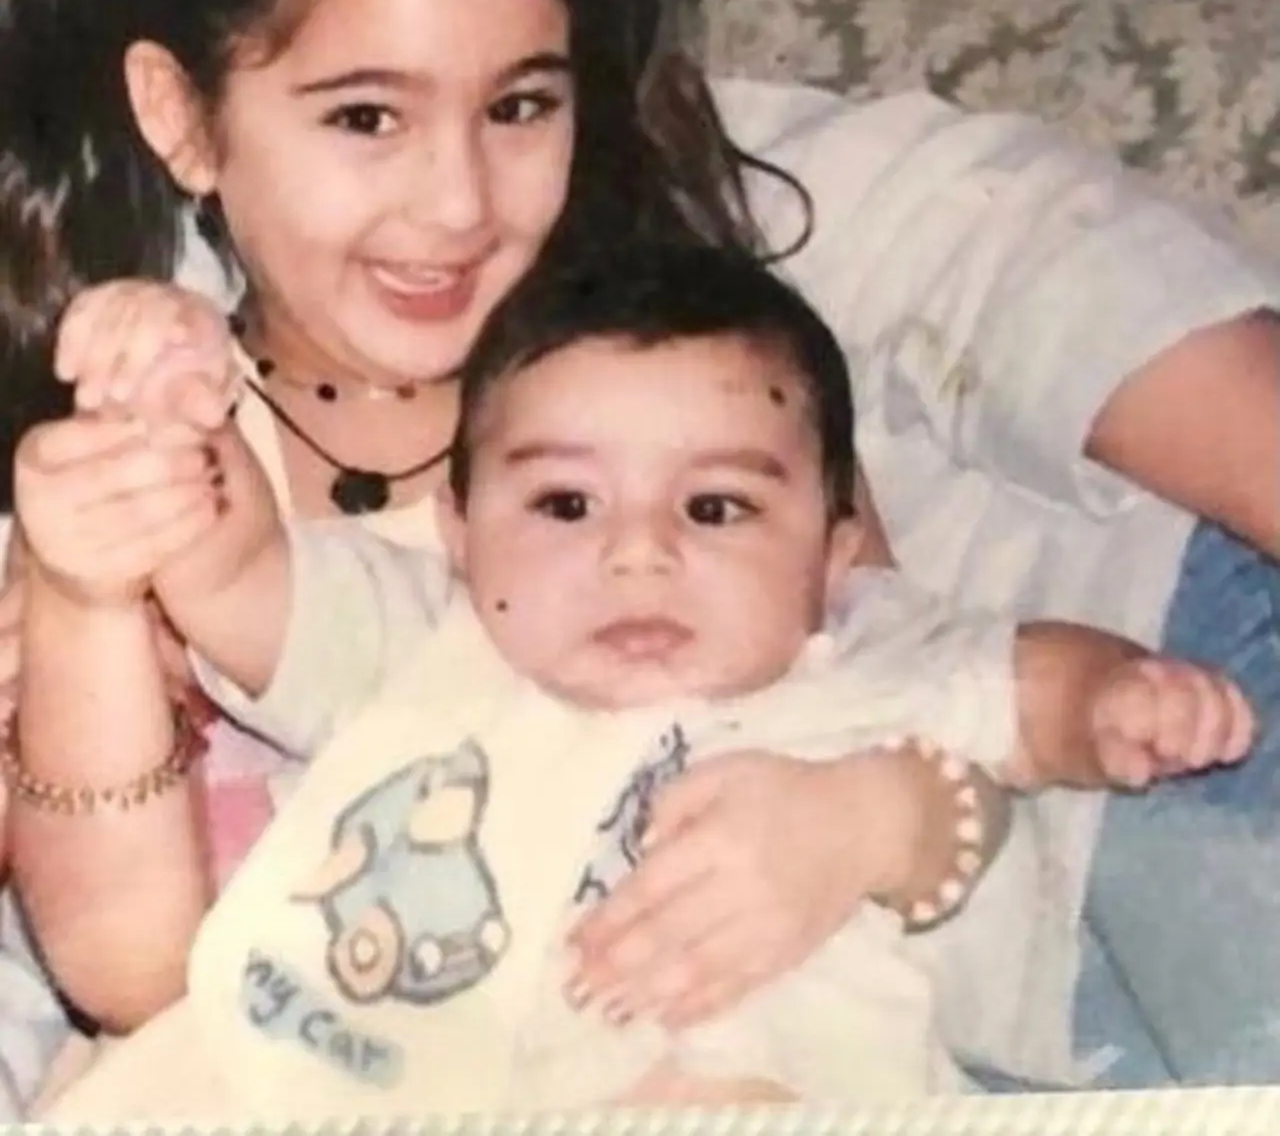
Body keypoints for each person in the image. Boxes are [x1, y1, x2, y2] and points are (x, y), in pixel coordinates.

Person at [0, 0, 1276, 1090]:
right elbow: (126, 955)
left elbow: (898, 660)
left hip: (1078, 791)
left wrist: (881, 815)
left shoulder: (677, 335)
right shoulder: (160, 444)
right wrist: (91, 589)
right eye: (367, 119)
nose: (456, 201)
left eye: (520, 107)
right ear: (177, 115)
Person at [11, 244, 1252, 1120]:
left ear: (832, 553)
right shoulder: (423, 640)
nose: (637, 552)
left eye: (714, 507)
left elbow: (1027, 686)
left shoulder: (863, 667)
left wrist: (1116, 697)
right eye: (564, 504)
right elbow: (231, 567)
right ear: (458, 533)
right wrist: (168, 400)